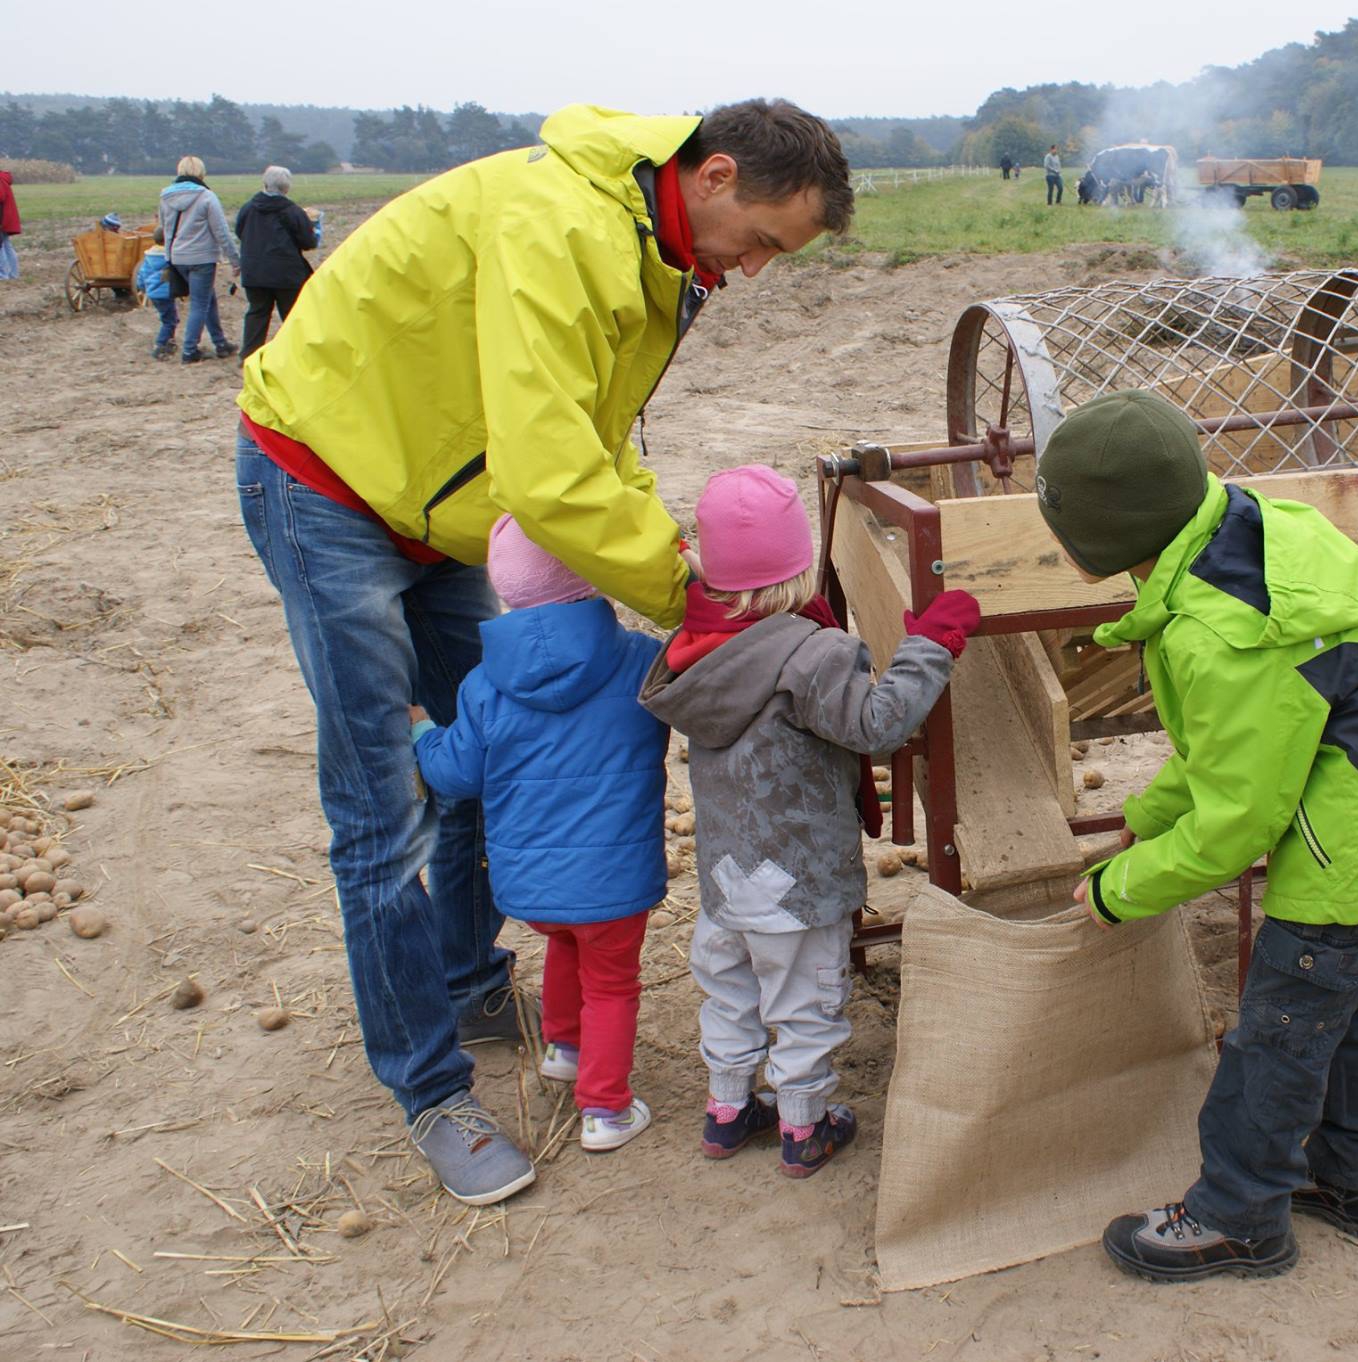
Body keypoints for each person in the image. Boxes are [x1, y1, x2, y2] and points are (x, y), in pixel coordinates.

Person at [234, 99, 853, 1206]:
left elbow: (598, 448)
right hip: (326, 484)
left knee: (487, 758)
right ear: (714, 175)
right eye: (762, 240)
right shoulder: (559, 226)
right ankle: (434, 1093)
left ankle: (470, 981)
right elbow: (551, 474)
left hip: (443, 512)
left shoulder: (655, 251)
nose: (757, 268)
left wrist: (676, 562)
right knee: (383, 809)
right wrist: (697, 598)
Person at [1032, 390, 1358, 1283]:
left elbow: (1237, 820)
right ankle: (1355, 1184)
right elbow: (1242, 747)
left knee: (1276, 1040)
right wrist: (1144, 821)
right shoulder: (1255, 535)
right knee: (1347, 1017)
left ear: (1104, 535)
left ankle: (1238, 1216)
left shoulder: (1218, 633)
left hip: (1351, 858)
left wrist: (1114, 893)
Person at [638, 465, 977, 1178]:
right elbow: (878, 726)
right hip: (798, 881)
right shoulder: (812, 652)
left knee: (730, 992)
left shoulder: (694, 652)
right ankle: (804, 1125)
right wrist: (929, 647)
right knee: (805, 1005)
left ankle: (728, 1109)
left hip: (727, 880)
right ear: (800, 568)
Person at [410, 515, 670, 1159]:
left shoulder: (482, 685)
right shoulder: (640, 661)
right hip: (615, 880)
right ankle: (605, 1109)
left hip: (530, 885)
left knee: (565, 943)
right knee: (610, 983)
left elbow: (455, 775)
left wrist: (422, 735)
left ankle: (564, 1046)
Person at [158, 155, 240, 363]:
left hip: (177, 257)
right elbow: (221, 232)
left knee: (207, 298)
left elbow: (165, 229)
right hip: (202, 258)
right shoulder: (207, 197)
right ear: (201, 173)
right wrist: (235, 259)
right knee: (200, 304)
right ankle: (189, 350)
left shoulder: (165, 197)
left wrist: (169, 257)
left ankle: (220, 343)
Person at [234, 165, 321, 354]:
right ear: (286, 188)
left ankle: (249, 355)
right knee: (292, 316)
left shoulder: (248, 208)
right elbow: (308, 242)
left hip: (254, 271)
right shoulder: (293, 212)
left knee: (257, 313)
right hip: (286, 274)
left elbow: (240, 232)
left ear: (264, 183)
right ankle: (297, 354)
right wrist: (315, 228)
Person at [135, 228, 179, 359]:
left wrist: (143, 288)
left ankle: (169, 342)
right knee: (169, 321)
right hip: (166, 293)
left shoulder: (149, 257)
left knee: (170, 318)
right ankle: (160, 346)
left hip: (153, 293)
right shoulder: (169, 257)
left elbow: (141, 275)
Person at [0, 166, 19, 280]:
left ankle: (2, 275)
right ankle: (13, 274)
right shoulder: (3, 178)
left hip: (2, 220)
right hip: (6, 219)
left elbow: (0, 198)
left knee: (1, 246)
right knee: (6, 245)